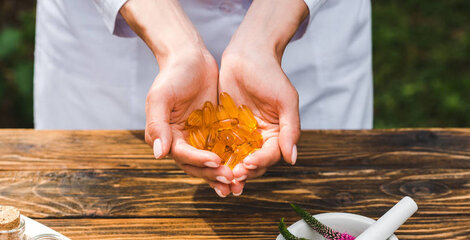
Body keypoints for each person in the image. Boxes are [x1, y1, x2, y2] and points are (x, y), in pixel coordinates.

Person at [34, 0, 372, 197]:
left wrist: (265, 34)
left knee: (330, 203)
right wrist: (177, 45)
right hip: (107, 46)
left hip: (303, 27)